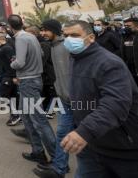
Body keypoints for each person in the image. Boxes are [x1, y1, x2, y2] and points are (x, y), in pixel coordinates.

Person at [61, 20, 138, 177]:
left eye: (74, 35)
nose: (69, 39)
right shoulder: (75, 58)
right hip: (92, 146)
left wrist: (85, 131)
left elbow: (115, 104)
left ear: (91, 38)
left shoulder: (108, 62)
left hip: (122, 149)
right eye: (65, 36)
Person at [8, 14, 56, 164]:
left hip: (28, 81)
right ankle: (38, 151)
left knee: (39, 120)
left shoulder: (21, 38)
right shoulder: (31, 36)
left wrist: (13, 63)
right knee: (26, 116)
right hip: (34, 79)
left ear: (10, 27)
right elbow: (41, 54)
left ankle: (57, 158)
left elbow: (20, 62)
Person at [34, 19, 75, 178]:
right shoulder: (53, 46)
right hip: (64, 99)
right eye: (41, 30)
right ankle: (59, 169)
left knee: (88, 138)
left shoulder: (67, 46)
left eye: (45, 30)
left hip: (77, 100)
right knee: (62, 133)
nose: (42, 33)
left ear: (55, 30)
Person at [0, 32, 20, 126]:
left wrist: (14, 76)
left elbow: (13, 62)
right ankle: (16, 113)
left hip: (9, 75)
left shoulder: (7, 48)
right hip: (5, 74)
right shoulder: (1, 48)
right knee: (12, 95)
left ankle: (16, 114)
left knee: (4, 94)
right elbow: (2, 63)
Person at [123, 17, 138, 86]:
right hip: (130, 70)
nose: (126, 28)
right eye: (125, 26)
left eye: (128, 26)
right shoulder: (124, 37)